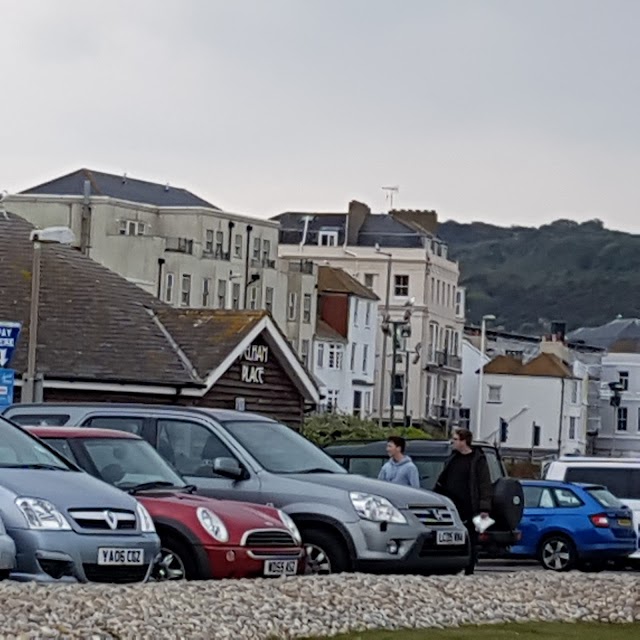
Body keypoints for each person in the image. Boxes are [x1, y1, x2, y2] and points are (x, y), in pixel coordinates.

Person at [434, 427, 492, 575]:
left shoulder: (477, 460)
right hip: (451, 505)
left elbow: (484, 484)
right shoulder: (453, 458)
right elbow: (442, 480)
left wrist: (484, 508)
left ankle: (469, 568)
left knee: (471, 538)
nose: (452, 442)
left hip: (469, 506)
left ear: (463, 441)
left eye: (455, 439)